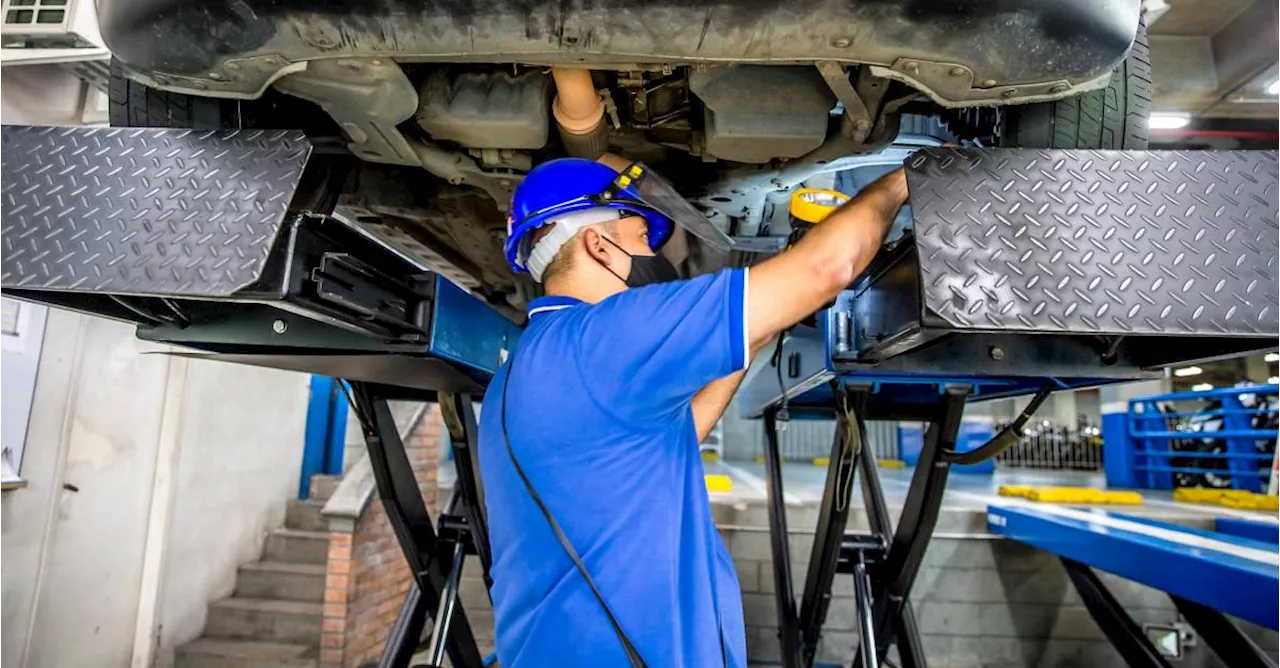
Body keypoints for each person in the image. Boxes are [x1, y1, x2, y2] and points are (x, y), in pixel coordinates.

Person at [477, 157, 909, 667]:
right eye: (640, 237)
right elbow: (828, 269)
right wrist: (899, 182)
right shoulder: (611, 335)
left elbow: (671, 439)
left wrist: (758, 327)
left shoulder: (516, 377)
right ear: (598, 244)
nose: (650, 254)